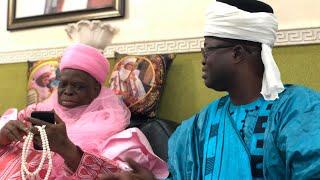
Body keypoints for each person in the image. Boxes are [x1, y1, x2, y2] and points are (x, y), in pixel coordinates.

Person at [99, 0, 320, 179]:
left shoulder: (299, 111)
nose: (203, 60)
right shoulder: (199, 125)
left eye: (208, 50)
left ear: (237, 53)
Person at [0, 44, 168, 179]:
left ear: (96, 90)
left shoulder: (114, 131)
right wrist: (2, 138)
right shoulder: (33, 112)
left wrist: (68, 150)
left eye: (78, 86)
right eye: (63, 84)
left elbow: (116, 174)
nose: (68, 91)